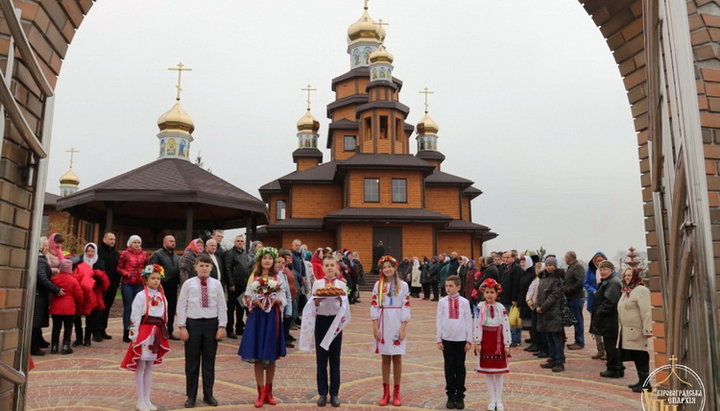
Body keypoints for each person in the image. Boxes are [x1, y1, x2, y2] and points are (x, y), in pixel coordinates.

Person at [299, 255, 351, 407]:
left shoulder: (341, 285)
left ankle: (334, 393)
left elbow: (346, 306)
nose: (329, 268)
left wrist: (341, 300)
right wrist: (317, 301)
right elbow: (312, 304)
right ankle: (322, 393)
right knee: (321, 360)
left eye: (331, 265)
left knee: (335, 359)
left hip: (335, 322)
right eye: (326, 265)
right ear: (322, 267)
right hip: (321, 321)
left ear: (336, 268)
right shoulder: (318, 284)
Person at [177, 254, 227, 408]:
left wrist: (222, 326)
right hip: (193, 324)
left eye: (207, 266)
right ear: (195, 267)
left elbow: (221, 305)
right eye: (201, 265)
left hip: (211, 325)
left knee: (209, 362)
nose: (204, 268)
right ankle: (191, 395)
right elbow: (181, 305)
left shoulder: (216, 284)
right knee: (191, 363)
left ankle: (208, 394)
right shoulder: (188, 284)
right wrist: (182, 326)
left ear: (211, 268)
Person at [238, 247, 287, 408]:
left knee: (271, 355)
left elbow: (284, 298)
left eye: (270, 258)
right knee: (258, 354)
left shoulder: (278, 277)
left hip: (272, 318)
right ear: (260, 260)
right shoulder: (254, 277)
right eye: (264, 258)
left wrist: (275, 300)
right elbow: (246, 297)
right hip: (257, 317)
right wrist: (255, 301)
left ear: (273, 261)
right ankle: (260, 393)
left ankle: (269, 392)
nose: (267, 261)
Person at [120, 264, 170, 411]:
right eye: (152, 278)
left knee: (149, 367)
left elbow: (164, 315)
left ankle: (147, 399)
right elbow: (134, 315)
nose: (156, 281)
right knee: (141, 366)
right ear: (146, 280)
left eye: (158, 279)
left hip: (157, 332)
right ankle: (140, 399)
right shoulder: (141, 296)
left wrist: (164, 332)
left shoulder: (161, 296)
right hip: (145, 332)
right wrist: (134, 334)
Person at [371, 255, 410, 407]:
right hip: (383, 322)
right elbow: (374, 305)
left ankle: (397, 392)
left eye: (389, 266)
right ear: (381, 269)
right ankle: (386, 392)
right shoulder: (378, 285)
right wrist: (375, 326)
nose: (387, 269)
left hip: (397, 321)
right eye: (384, 267)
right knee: (385, 358)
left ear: (395, 268)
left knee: (397, 358)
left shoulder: (403, 285)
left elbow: (406, 306)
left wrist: (403, 327)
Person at [474, 278, 511, 411]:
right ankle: (491, 400)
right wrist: (477, 341)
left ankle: (499, 400)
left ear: (497, 294)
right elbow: (477, 323)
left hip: (498, 341)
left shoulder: (501, 307)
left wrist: (507, 343)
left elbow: (506, 325)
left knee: (499, 373)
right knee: (488, 372)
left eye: (492, 292)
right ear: (484, 293)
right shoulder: (479, 307)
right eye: (487, 292)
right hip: (485, 340)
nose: (489, 295)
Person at [436, 275, 472, 410]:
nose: (448, 288)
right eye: (446, 286)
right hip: (447, 339)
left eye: (451, 286)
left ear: (458, 287)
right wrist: (438, 338)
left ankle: (460, 395)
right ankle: (450, 395)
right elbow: (439, 320)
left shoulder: (464, 302)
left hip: (461, 339)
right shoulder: (442, 302)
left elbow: (468, 320)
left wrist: (469, 339)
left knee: (460, 367)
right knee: (449, 368)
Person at [617, 267, 653, 393]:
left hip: (637, 330)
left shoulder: (641, 290)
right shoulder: (627, 291)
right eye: (625, 275)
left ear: (635, 276)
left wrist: (647, 330)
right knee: (636, 356)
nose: (627, 277)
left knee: (641, 355)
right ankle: (641, 381)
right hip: (628, 331)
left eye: (630, 275)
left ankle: (646, 384)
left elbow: (647, 311)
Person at [590, 260, 624, 378]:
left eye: (605, 269)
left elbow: (611, 302)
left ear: (611, 270)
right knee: (612, 345)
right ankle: (617, 367)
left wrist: (600, 312)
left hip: (610, 320)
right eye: (601, 269)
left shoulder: (613, 282)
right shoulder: (608, 281)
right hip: (608, 320)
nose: (602, 272)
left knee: (611, 345)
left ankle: (614, 369)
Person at [73, 243, 110, 346]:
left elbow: (103, 278)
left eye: (92, 251)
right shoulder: (79, 261)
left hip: (94, 292)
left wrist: (93, 280)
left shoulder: (99, 261)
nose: (90, 253)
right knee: (77, 316)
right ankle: (79, 338)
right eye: (88, 251)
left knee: (91, 316)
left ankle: (87, 338)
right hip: (81, 291)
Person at [32, 237, 63, 356]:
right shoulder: (40, 260)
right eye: (44, 246)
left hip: (40, 294)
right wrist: (56, 289)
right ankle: (34, 347)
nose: (47, 248)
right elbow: (42, 278)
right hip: (38, 295)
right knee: (36, 321)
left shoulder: (42, 259)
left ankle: (39, 341)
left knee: (38, 321)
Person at [535, 257, 565, 373]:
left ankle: (559, 362)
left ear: (555, 266)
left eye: (551, 265)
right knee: (549, 338)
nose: (548, 267)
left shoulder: (557, 279)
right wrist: (537, 305)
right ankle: (552, 359)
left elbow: (554, 296)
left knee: (556, 339)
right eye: (547, 265)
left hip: (553, 313)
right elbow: (539, 294)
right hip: (544, 313)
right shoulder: (543, 278)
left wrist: (543, 307)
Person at [118, 235, 149, 343]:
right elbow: (119, 267)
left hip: (139, 284)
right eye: (135, 242)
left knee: (139, 308)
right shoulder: (124, 254)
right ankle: (126, 331)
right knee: (129, 307)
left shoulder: (144, 254)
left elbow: (147, 267)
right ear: (130, 243)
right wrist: (126, 274)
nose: (137, 245)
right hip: (128, 284)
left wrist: (145, 274)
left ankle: (137, 330)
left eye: (138, 243)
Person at [149, 235, 181, 340]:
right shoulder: (157, 255)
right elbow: (154, 270)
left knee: (171, 310)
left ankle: (169, 331)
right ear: (164, 242)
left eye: (174, 241)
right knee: (159, 309)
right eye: (171, 241)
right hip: (161, 287)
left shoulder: (176, 256)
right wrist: (161, 282)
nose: (173, 243)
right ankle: (157, 331)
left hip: (173, 288)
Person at [49, 259, 83, 355]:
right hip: (69, 308)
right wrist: (79, 305)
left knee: (56, 327)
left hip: (56, 307)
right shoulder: (73, 280)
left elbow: (50, 292)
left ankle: (54, 346)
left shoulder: (54, 279)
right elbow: (79, 295)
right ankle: (65, 345)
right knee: (68, 328)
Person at [223, 235, 253, 339]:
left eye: (241, 241)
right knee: (231, 308)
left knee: (241, 307)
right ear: (234, 242)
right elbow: (227, 268)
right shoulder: (230, 253)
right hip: (234, 285)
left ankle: (239, 328)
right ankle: (229, 329)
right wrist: (231, 283)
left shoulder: (244, 254)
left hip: (243, 285)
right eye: (238, 241)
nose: (240, 242)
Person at [584, 251, 608, 360]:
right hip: (593, 300)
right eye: (597, 261)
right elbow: (586, 283)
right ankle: (600, 350)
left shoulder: (609, 270)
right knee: (595, 327)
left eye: (601, 260)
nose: (599, 263)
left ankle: (608, 351)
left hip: (605, 302)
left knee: (605, 327)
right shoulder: (590, 270)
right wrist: (593, 290)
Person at [98, 232, 120, 340]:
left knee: (107, 308)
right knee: (99, 308)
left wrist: (116, 283)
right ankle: (96, 331)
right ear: (104, 239)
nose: (112, 241)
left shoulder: (116, 253)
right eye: (110, 239)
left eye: (114, 239)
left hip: (112, 285)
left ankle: (102, 329)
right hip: (100, 285)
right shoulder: (98, 251)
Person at [499, 252, 523, 347]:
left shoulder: (516, 269)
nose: (505, 259)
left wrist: (515, 298)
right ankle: (508, 337)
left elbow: (516, 285)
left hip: (512, 299)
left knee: (514, 320)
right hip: (504, 297)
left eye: (508, 257)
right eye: (504, 257)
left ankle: (516, 339)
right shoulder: (502, 268)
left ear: (513, 258)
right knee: (506, 320)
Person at [564, 251, 586, 350]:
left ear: (569, 258)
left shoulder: (577, 267)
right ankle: (577, 341)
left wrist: (569, 289)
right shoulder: (571, 267)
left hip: (576, 298)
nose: (565, 259)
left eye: (566, 257)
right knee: (574, 320)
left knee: (578, 320)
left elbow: (580, 281)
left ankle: (579, 342)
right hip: (570, 298)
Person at [275, 253, 296, 349]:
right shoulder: (270, 275)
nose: (281, 264)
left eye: (283, 263)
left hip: (283, 307)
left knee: (284, 326)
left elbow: (288, 294)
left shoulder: (284, 275)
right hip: (273, 308)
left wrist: (289, 310)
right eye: (278, 262)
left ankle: (282, 343)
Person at [517, 256, 536, 350]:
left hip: (529, 302)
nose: (522, 264)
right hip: (524, 301)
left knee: (531, 323)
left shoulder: (532, 273)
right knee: (528, 323)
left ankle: (535, 342)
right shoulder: (524, 273)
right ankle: (533, 340)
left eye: (524, 262)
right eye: (521, 262)